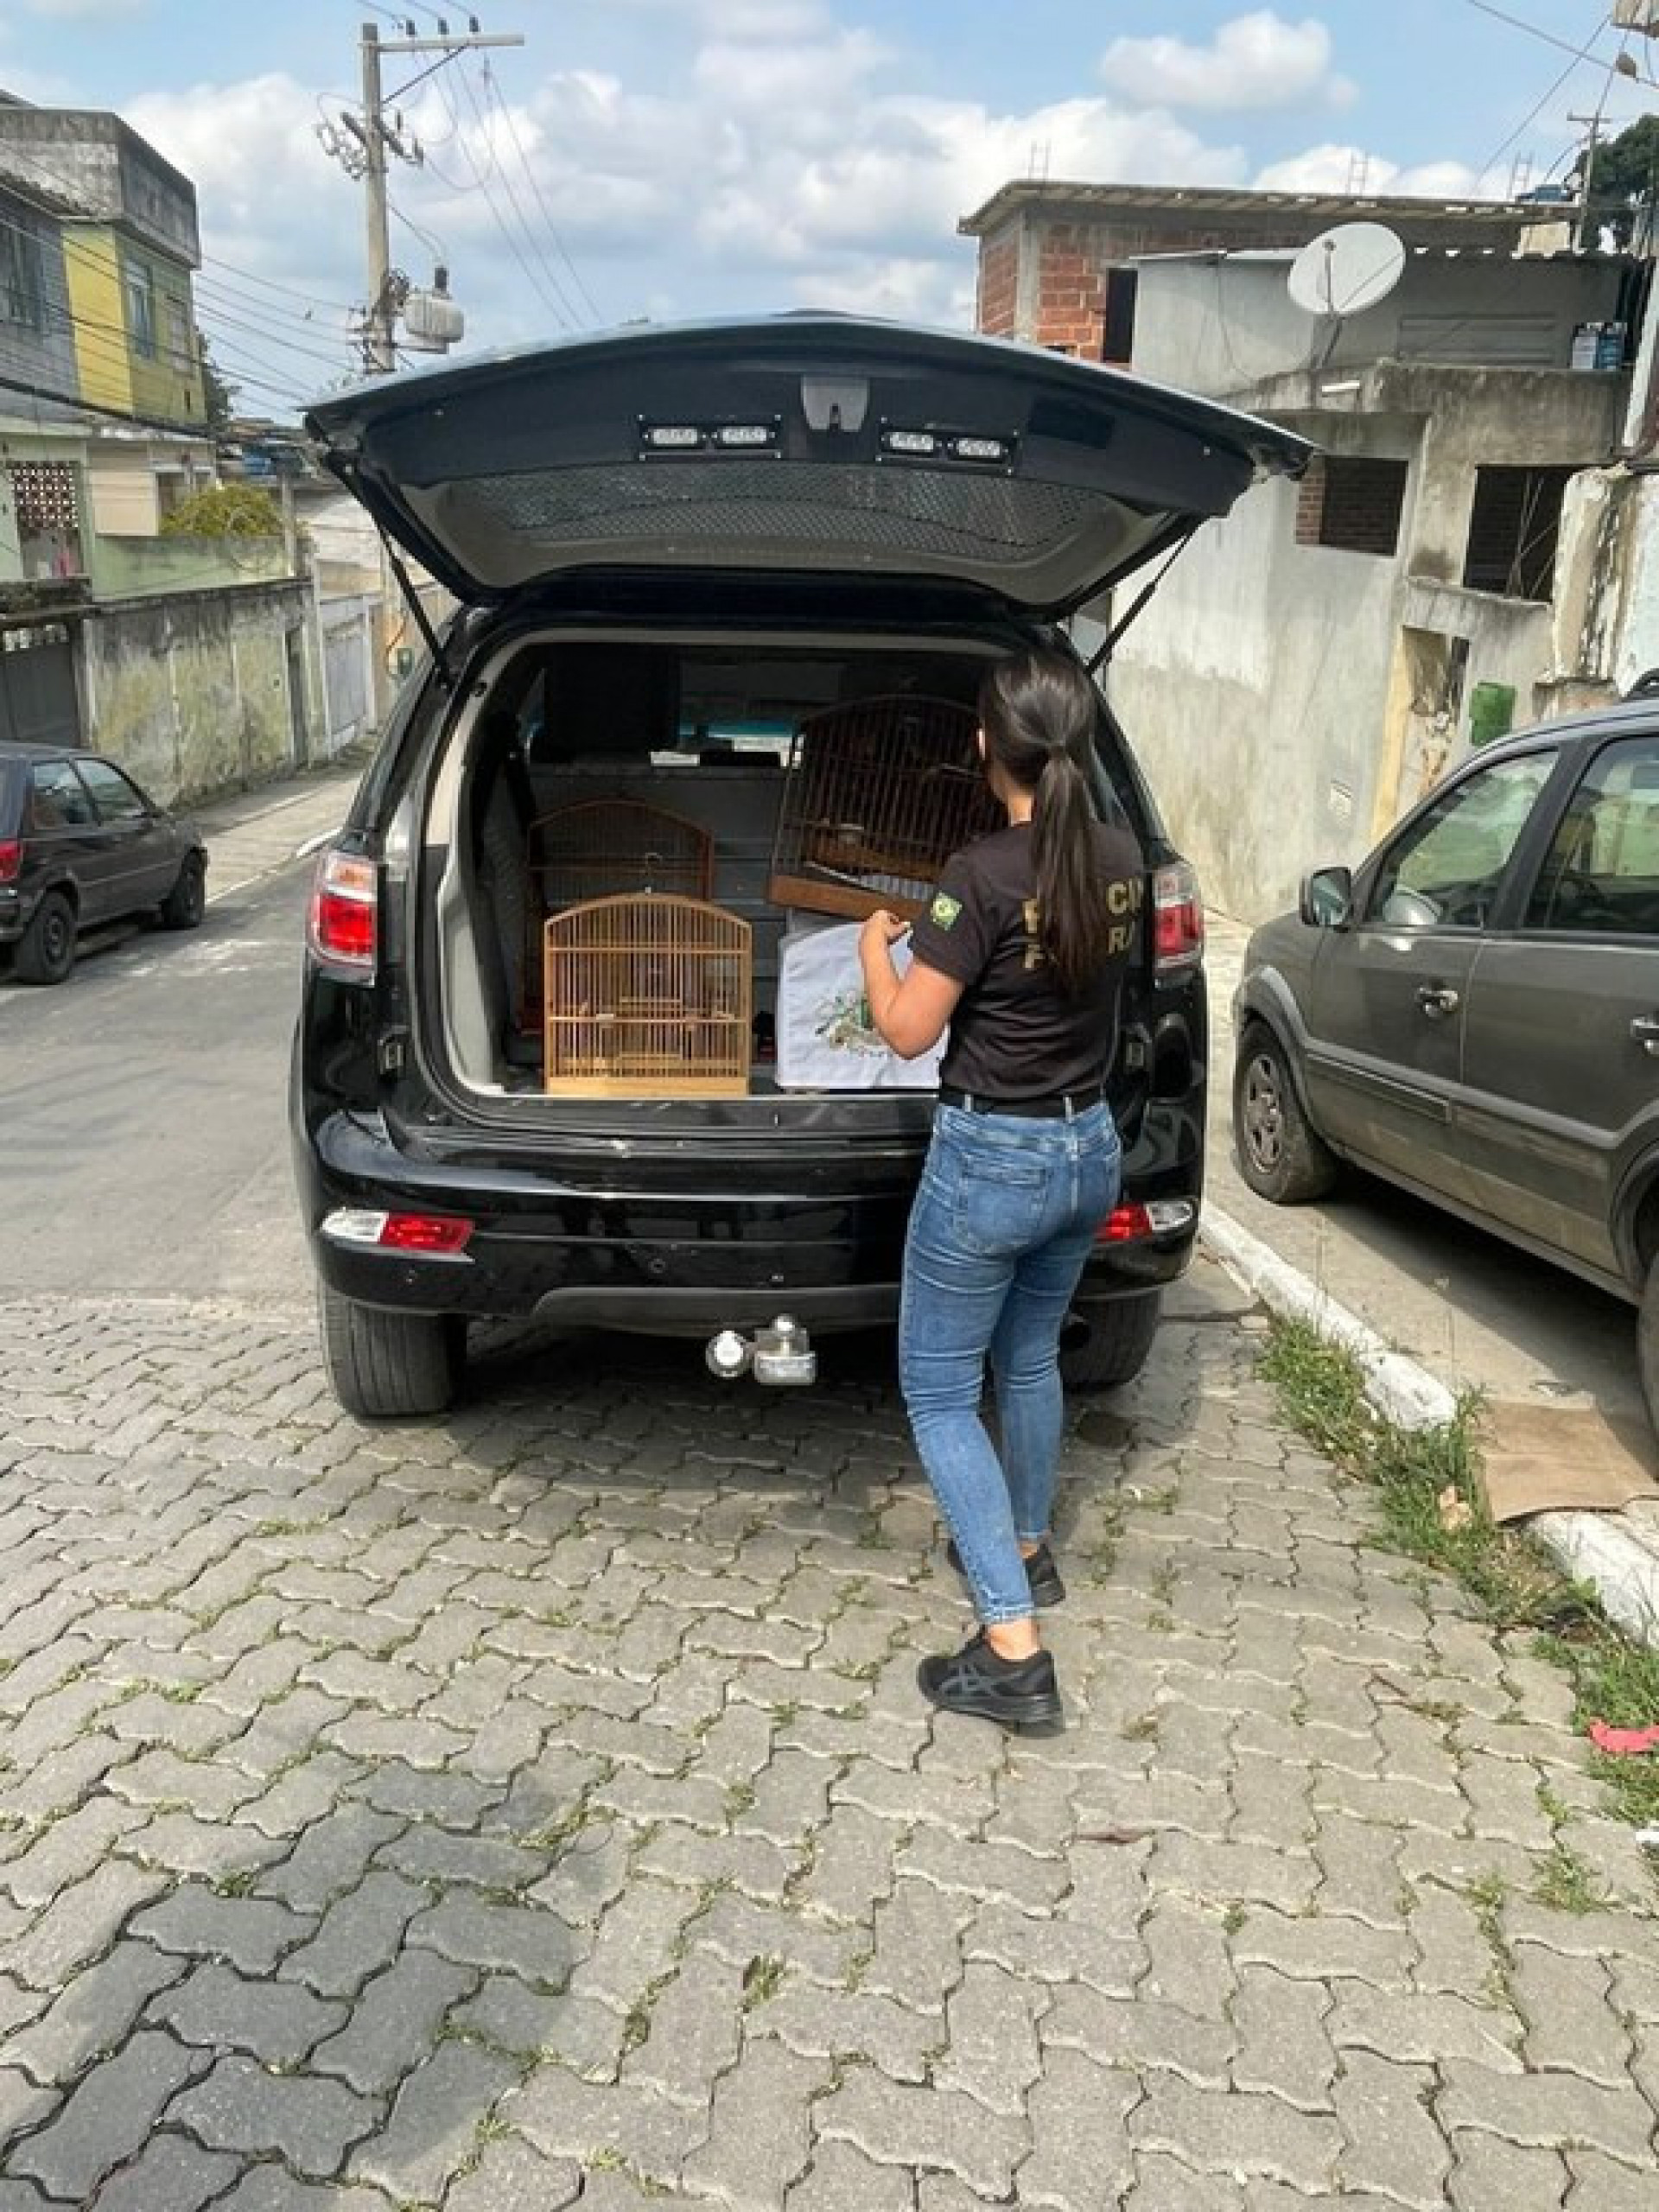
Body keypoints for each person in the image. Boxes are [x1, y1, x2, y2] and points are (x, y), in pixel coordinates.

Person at [857, 648, 1146, 1733]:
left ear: (989, 748)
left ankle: (1012, 1646)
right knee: (1026, 1357)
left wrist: (871, 953)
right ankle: (1027, 1544)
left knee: (937, 1393)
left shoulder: (976, 876)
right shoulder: (1118, 858)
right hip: (1088, 1149)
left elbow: (903, 1031)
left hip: (994, 1161)